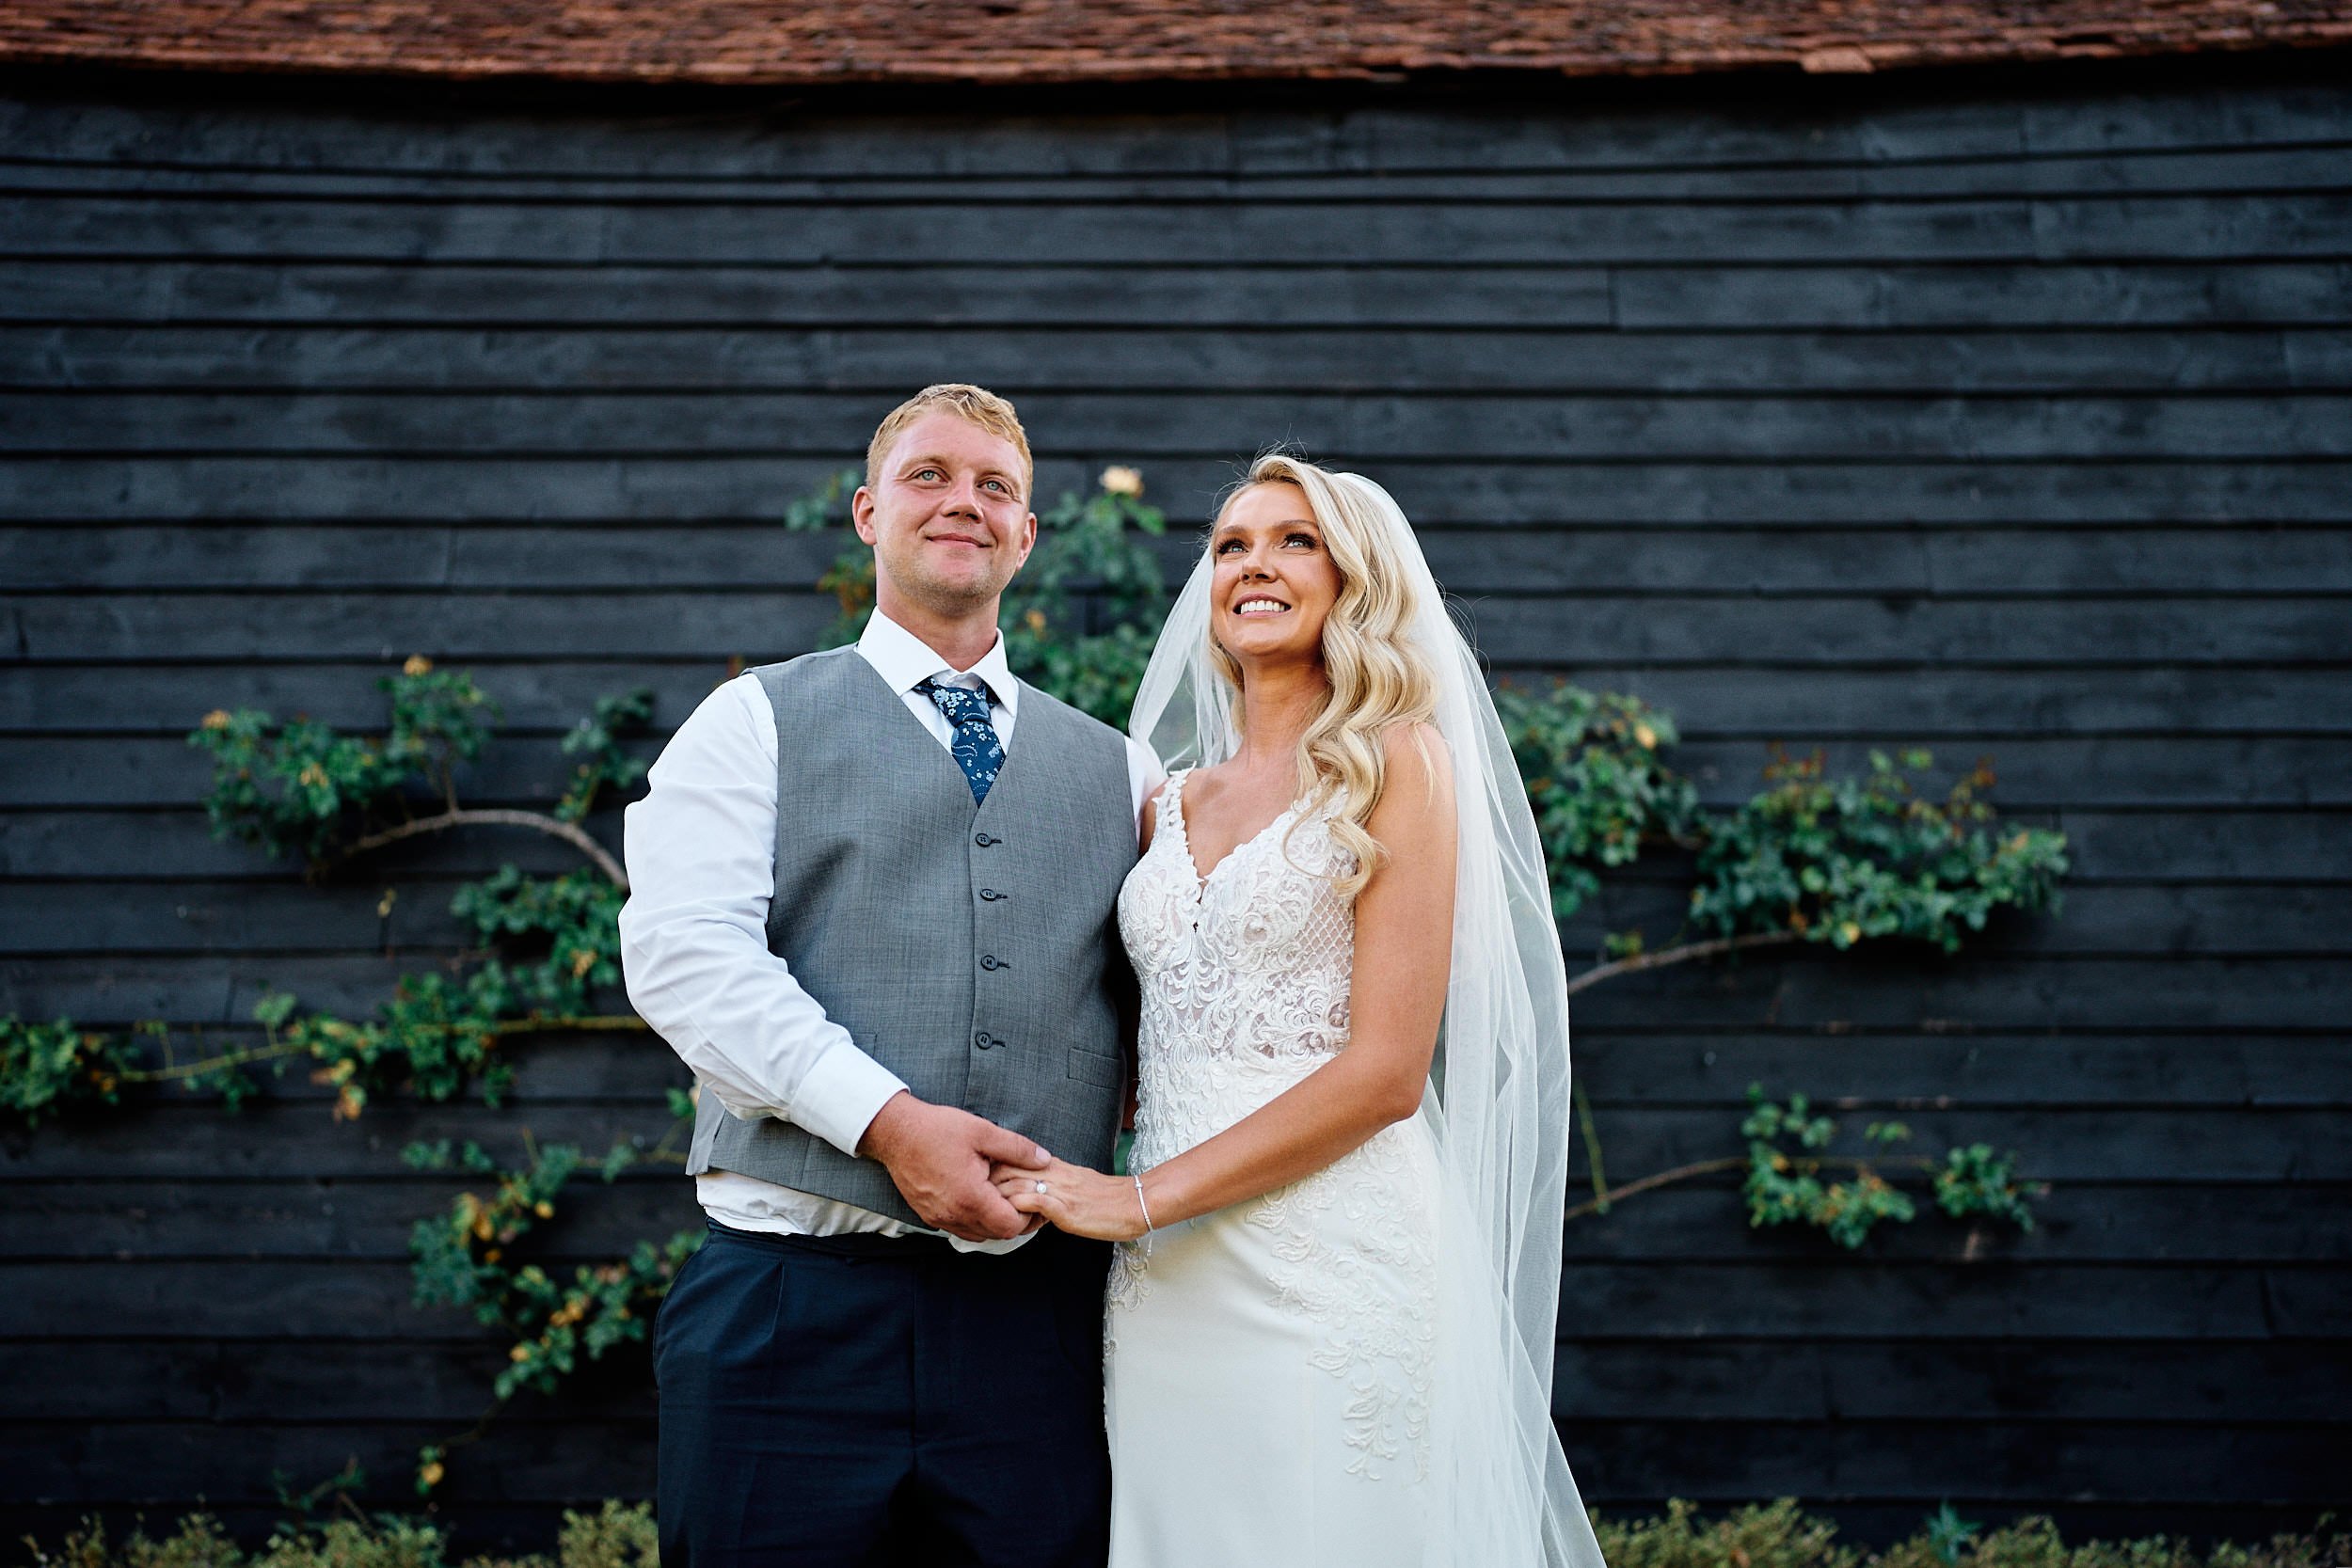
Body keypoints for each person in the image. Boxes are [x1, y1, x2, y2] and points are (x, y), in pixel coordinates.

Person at [993, 452, 1608, 1568]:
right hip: (1168, 1277)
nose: (1253, 566)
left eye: (1294, 541)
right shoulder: (1168, 799)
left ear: (1351, 579)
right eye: (1231, 544)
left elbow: (1383, 1072)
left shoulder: (1395, 765)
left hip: (1326, 1250)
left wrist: (1138, 1196)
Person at [618, 383, 1160, 1568]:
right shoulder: (750, 720)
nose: (961, 500)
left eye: (994, 486)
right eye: (929, 475)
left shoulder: (1122, 770)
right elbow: (685, 958)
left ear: (1025, 535)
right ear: (868, 511)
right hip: (789, 1313)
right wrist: (888, 1121)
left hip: (1041, 1329)